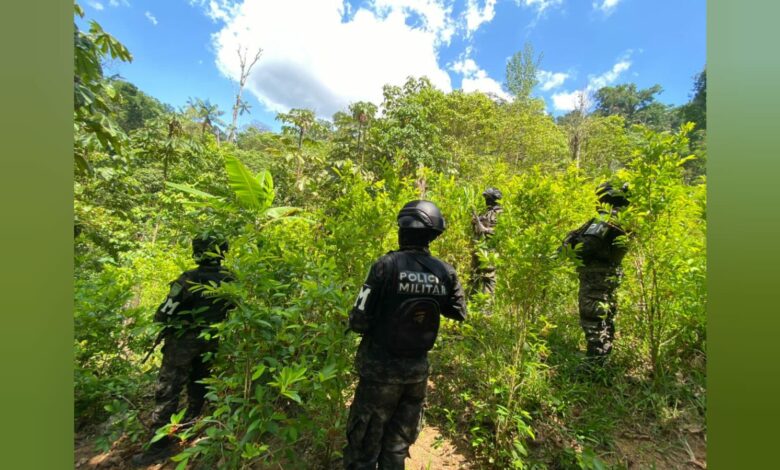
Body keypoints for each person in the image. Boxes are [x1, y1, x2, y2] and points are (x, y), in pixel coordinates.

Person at [344, 200, 468, 470]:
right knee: (397, 449)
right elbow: (458, 311)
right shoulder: (445, 272)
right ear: (432, 234)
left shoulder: (385, 266)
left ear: (403, 230)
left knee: (363, 448)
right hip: (417, 374)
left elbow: (358, 320)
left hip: (379, 373)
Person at [132, 233, 235, 466]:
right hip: (213, 342)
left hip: (182, 345)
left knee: (168, 391)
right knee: (200, 384)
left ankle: (157, 447)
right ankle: (189, 428)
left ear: (198, 251)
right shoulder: (231, 279)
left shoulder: (188, 279)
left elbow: (164, 313)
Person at [562, 182, 630, 373]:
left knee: (593, 316)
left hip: (596, 275)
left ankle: (594, 364)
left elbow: (588, 247)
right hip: (608, 274)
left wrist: (571, 244)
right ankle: (602, 356)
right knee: (605, 315)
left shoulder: (606, 219)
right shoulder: (623, 218)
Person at [470, 187, 503, 301]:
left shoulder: (499, 213)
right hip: (479, 250)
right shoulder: (486, 212)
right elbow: (477, 231)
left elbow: (499, 232)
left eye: (488, 198)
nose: (486, 200)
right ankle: (472, 303)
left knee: (488, 278)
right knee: (474, 276)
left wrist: (485, 229)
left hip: (490, 251)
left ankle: (486, 307)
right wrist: (475, 222)